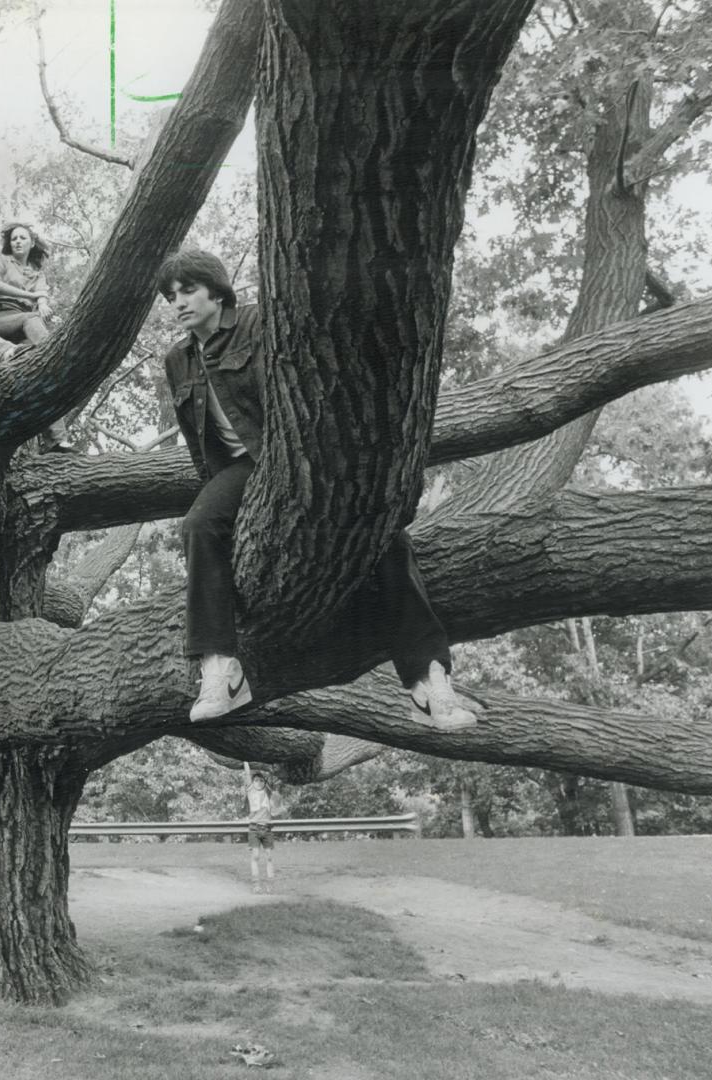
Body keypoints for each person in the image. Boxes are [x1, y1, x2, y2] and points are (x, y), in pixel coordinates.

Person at [156, 248, 478, 730]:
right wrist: (226, 503)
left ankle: (428, 679)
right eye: (170, 296)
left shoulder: (260, 323)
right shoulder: (177, 359)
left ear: (216, 290)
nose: (178, 303)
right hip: (243, 470)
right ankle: (220, 668)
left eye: (188, 291)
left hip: (300, 456)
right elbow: (199, 443)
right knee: (200, 524)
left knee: (386, 537)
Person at [0, 221, 74, 452]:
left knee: (44, 379)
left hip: (24, 331)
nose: (17, 241)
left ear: (31, 242)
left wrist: (42, 302)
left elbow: (42, 296)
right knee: (31, 319)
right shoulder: (1, 260)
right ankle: (56, 358)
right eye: (14, 238)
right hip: (1, 319)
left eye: (22, 238)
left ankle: (55, 441)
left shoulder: (37, 273)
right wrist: (31, 296)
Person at [246, 770, 277, 893]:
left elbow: (271, 774)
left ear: (265, 783)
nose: (258, 783)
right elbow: (247, 772)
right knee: (255, 856)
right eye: (256, 780)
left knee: (269, 856)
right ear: (252, 783)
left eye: (261, 780)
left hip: (267, 828)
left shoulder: (268, 792)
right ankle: (256, 885)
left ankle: (270, 885)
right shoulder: (250, 791)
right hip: (254, 828)